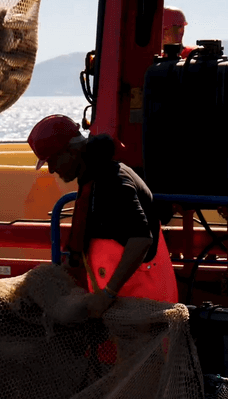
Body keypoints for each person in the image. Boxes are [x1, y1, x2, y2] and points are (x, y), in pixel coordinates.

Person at [27, 115, 178, 318]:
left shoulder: (113, 181)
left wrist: (107, 295)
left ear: (71, 151)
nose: (51, 169)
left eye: (53, 160)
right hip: (122, 310)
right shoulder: (92, 181)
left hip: (147, 309)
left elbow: (141, 240)